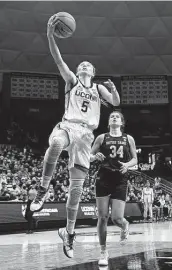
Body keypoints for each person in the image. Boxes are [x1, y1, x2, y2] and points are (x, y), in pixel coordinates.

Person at [30, 14, 120, 258]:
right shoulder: (71, 81)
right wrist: (50, 35)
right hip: (69, 126)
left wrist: (113, 91)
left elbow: (115, 103)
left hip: (86, 136)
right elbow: (57, 58)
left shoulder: (98, 88)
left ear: (93, 71)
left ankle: (68, 233)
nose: (84, 65)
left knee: (76, 190)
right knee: (57, 144)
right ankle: (43, 189)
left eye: (88, 65)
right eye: (81, 64)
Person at [90, 111, 137, 266]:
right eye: (112, 117)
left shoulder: (128, 138)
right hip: (103, 178)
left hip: (120, 179)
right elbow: (89, 155)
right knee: (102, 217)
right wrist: (94, 157)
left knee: (116, 218)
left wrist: (127, 165)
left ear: (122, 122)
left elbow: (135, 159)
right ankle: (103, 251)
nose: (114, 118)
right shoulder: (101, 137)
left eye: (117, 117)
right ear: (109, 122)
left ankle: (124, 225)